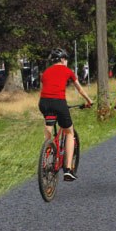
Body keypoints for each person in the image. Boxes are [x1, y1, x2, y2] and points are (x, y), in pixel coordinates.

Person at [38, 48, 92, 181]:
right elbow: (79, 88)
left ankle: (47, 151)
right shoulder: (68, 71)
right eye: (66, 59)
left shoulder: (45, 72)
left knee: (49, 125)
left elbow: (45, 88)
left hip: (44, 103)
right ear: (62, 59)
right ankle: (68, 169)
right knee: (69, 132)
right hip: (59, 102)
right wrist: (89, 101)